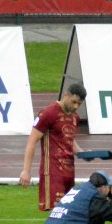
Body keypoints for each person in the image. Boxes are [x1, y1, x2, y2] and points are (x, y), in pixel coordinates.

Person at [20, 84, 87, 212]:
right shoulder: (48, 114)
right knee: (57, 212)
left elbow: (69, 140)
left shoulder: (75, 117)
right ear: (66, 95)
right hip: (52, 171)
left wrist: (83, 153)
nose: (75, 107)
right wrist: (26, 171)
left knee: (67, 213)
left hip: (69, 171)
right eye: (74, 102)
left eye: (79, 104)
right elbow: (32, 141)